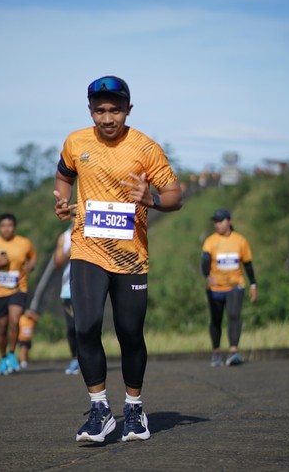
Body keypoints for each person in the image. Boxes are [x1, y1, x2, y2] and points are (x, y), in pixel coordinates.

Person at [53, 75, 183, 443]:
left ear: (128, 109)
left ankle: (134, 409)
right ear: (90, 110)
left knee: (130, 333)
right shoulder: (76, 142)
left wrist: (151, 199)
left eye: (115, 110)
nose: (107, 118)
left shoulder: (146, 148)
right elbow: (63, 176)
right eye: (100, 111)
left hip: (130, 259)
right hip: (87, 249)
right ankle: (100, 410)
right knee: (85, 327)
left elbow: (175, 195)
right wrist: (61, 200)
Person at [0, 213, 37, 376]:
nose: (7, 229)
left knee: (14, 320)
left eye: (10, 226)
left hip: (18, 288)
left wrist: (31, 266)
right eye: (3, 226)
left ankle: (12, 353)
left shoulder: (24, 243)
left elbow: (33, 258)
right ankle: (3, 357)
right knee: (2, 327)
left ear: (14, 227)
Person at [201, 209, 257, 367]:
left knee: (234, 315)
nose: (217, 224)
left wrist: (253, 284)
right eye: (215, 221)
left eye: (221, 221)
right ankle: (216, 352)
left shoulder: (240, 241)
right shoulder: (210, 241)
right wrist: (207, 276)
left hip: (235, 285)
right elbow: (205, 262)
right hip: (215, 288)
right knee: (216, 319)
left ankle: (233, 351)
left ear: (229, 221)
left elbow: (248, 264)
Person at [53, 213, 80, 375]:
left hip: (89, 289)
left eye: (80, 213)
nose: (77, 217)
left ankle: (88, 359)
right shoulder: (64, 237)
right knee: (72, 326)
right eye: (74, 214)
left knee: (88, 326)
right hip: (68, 289)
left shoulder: (93, 232)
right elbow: (57, 263)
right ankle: (75, 359)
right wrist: (70, 250)